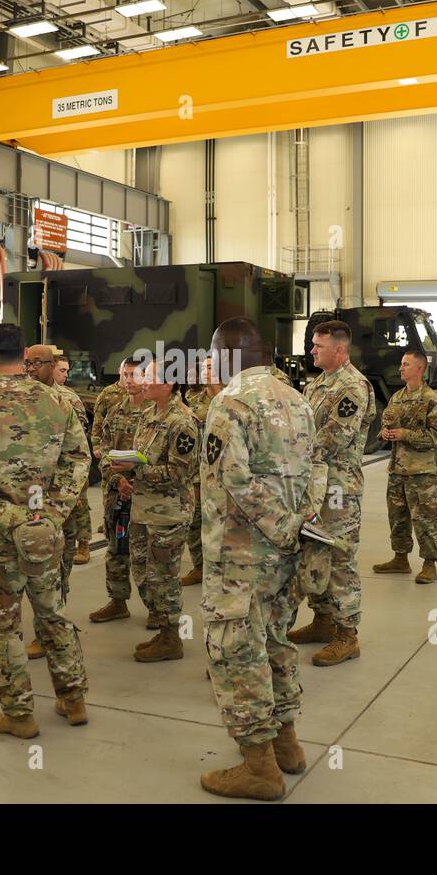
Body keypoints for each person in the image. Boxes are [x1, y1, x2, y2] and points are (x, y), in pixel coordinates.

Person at [0, 323, 91, 738]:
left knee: (3, 627)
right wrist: (53, 513)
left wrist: (7, 516)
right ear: (25, 354)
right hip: (45, 534)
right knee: (54, 615)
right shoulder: (56, 401)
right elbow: (79, 458)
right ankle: (73, 698)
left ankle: (19, 714)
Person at [199, 318, 323, 800]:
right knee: (275, 641)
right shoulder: (298, 400)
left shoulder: (228, 403)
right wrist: (296, 527)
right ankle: (287, 745)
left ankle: (258, 766)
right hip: (284, 558)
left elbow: (235, 480)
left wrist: (281, 526)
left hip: (240, 556)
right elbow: (316, 471)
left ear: (228, 354)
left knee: (236, 650)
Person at [288, 320, 375, 667]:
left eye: (318, 346)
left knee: (339, 557)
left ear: (339, 350)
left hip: (339, 487)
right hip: (314, 484)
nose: (311, 351)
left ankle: (347, 634)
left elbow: (335, 436)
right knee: (315, 550)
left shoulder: (352, 387)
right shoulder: (318, 384)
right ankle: (323, 621)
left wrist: (293, 449)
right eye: (312, 345)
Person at [107, 359, 197, 662]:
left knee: (165, 576)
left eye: (150, 377)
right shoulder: (148, 415)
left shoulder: (182, 421)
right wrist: (125, 475)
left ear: (169, 384)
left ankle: (174, 638)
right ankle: (161, 626)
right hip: (143, 508)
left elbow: (179, 474)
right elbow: (142, 458)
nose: (143, 381)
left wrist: (138, 470)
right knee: (144, 572)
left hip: (169, 513)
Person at [373, 349, 437, 582]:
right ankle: (400, 559)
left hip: (422, 472)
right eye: (401, 364)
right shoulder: (397, 397)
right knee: (398, 517)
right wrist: (384, 434)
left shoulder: (433, 400)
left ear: (419, 368)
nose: (401, 368)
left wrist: (406, 434)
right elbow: (387, 425)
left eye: (406, 364)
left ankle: (430, 564)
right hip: (397, 470)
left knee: (426, 519)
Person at [88, 358, 153, 625]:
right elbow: (101, 448)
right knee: (117, 547)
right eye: (125, 374)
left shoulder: (156, 413)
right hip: (116, 491)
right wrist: (118, 479)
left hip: (147, 492)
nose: (128, 380)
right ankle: (117, 601)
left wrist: (136, 481)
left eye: (134, 375)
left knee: (147, 553)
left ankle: (157, 609)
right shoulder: (115, 412)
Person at [181, 355, 221, 587]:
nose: (206, 371)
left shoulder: (231, 396)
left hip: (223, 469)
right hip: (196, 468)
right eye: (203, 368)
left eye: (210, 367)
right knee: (195, 519)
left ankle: (220, 566)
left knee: (219, 519)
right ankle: (199, 566)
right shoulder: (193, 397)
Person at [53, 353, 93, 565]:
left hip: (71, 460)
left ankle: (84, 543)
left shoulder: (70, 397)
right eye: (62, 370)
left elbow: (81, 430)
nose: (65, 375)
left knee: (79, 503)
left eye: (67, 371)